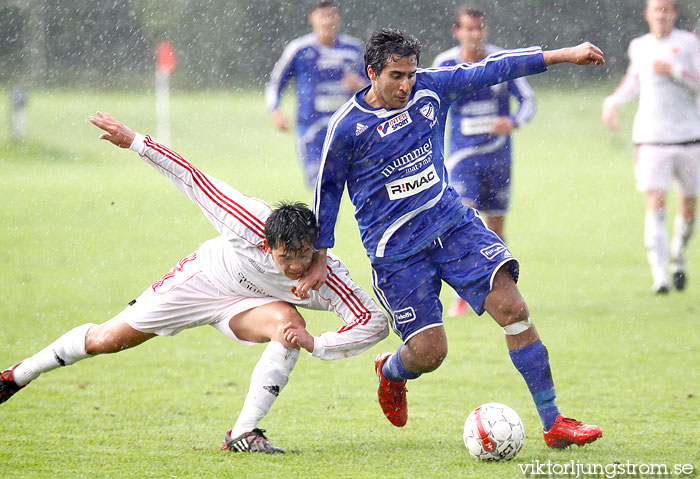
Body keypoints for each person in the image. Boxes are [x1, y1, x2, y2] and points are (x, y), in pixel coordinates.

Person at [0, 112, 389, 454]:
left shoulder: (325, 273)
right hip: (202, 282)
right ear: (267, 245)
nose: (294, 266)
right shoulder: (245, 220)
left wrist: (318, 344)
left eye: (303, 256)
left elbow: (373, 321)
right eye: (285, 257)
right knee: (104, 341)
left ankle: (243, 431)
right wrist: (136, 141)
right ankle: (17, 376)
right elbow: (191, 176)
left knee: (289, 327)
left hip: (249, 311)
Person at [299, 28, 605, 449]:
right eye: (395, 76)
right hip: (397, 253)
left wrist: (563, 53)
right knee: (429, 353)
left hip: (453, 227)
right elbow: (326, 192)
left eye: (410, 74)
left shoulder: (431, 88)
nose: (405, 84)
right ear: (371, 72)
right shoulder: (347, 127)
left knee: (514, 308)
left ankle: (554, 423)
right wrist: (319, 255)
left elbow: (494, 68)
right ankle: (390, 371)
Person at [433, 7, 536, 317]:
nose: (475, 35)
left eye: (479, 28)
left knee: (496, 228)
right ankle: (464, 294)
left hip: (499, 158)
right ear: (457, 32)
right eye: (469, 29)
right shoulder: (445, 64)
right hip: (463, 157)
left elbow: (528, 100)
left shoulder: (500, 62)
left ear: (485, 30)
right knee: (466, 221)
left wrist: (513, 121)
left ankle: (501, 285)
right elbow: (431, 105)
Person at [602, 0, 700, 294]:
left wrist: (676, 71)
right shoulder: (640, 46)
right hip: (650, 139)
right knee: (655, 204)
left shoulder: (688, 43)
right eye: (656, 10)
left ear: (674, 14)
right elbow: (634, 81)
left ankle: (678, 255)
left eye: (666, 10)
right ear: (647, 14)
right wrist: (612, 102)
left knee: (689, 207)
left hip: (688, 138)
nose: (661, 15)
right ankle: (660, 277)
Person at [265, 0, 368, 188]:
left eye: (332, 15)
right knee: (320, 185)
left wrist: (360, 84)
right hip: (311, 129)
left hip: (346, 127)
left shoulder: (354, 49)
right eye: (323, 16)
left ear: (339, 18)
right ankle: (320, 218)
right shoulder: (299, 49)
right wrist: (274, 110)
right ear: (312, 18)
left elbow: (373, 86)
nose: (328, 21)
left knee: (356, 185)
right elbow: (276, 82)